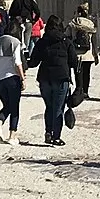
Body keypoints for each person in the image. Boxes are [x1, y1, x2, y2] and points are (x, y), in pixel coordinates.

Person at [34, 15, 76, 146]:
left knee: (49, 106)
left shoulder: (42, 41)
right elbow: (74, 62)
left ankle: (48, 132)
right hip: (61, 77)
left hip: (45, 77)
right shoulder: (66, 42)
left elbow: (34, 61)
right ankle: (56, 137)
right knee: (58, 108)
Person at [0, 16, 27, 143]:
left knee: (7, 105)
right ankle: (12, 136)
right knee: (14, 107)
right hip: (11, 78)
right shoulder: (15, 42)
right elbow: (17, 63)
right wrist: (22, 79)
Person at [67, 3, 97, 127]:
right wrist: (96, 53)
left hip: (77, 53)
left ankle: (79, 91)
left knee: (78, 73)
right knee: (87, 73)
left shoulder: (73, 23)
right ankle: (86, 92)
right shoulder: (90, 24)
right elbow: (93, 39)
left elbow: (68, 36)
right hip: (88, 53)